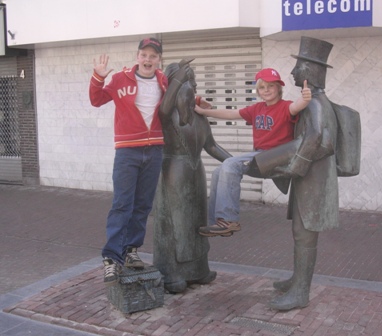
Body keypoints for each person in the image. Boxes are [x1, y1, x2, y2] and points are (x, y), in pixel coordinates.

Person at [252, 36, 360, 311]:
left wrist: (292, 164)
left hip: (314, 179)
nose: (293, 73)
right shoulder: (312, 101)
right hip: (307, 179)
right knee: (299, 231)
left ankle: (301, 291)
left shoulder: (316, 103)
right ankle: (296, 279)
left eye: (298, 68)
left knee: (305, 234)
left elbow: (322, 141)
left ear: (310, 72)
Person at [195, 68, 312, 237]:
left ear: (279, 88)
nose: (267, 90)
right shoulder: (257, 109)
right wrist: (204, 112)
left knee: (230, 164)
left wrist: (305, 99)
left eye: (271, 86)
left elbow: (296, 106)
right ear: (258, 91)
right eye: (263, 87)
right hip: (260, 155)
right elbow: (231, 113)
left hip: (276, 156)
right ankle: (218, 222)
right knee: (218, 171)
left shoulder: (285, 106)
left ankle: (228, 220)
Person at [89, 37, 167, 286]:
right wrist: (98, 77)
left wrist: (198, 103)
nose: (148, 59)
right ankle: (112, 259)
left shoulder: (164, 80)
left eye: (153, 56)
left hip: (154, 149)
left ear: (158, 60)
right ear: (137, 57)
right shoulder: (121, 78)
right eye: (144, 55)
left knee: (143, 205)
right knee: (122, 204)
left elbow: (177, 101)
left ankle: (132, 250)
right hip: (127, 151)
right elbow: (97, 99)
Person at [153, 59, 232, 293]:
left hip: (196, 174)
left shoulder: (199, 117)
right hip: (173, 174)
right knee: (175, 226)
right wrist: (179, 77)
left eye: (193, 86)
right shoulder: (167, 116)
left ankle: (198, 269)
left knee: (196, 221)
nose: (192, 91)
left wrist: (237, 163)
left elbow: (212, 146)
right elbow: (165, 107)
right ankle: (171, 272)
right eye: (186, 86)